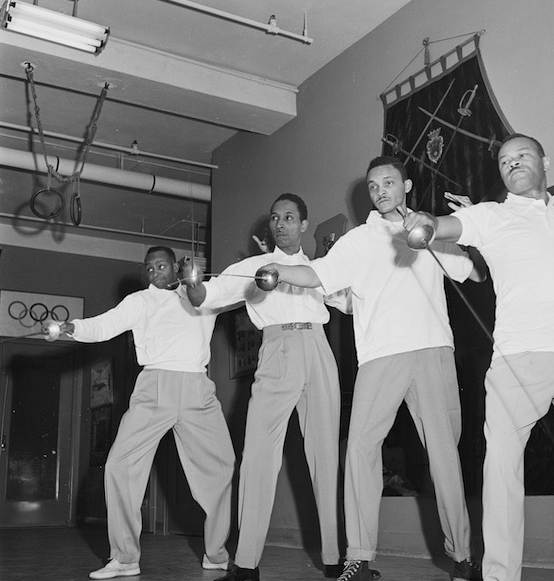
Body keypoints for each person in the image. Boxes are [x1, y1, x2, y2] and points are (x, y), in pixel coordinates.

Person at [403, 134, 554, 581]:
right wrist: (425, 220)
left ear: (544, 162)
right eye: (504, 161)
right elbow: (449, 226)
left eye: (522, 155)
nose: (513, 163)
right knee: (502, 473)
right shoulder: (491, 215)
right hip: (517, 360)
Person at [257, 157, 486, 581]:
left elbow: (473, 273)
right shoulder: (357, 241)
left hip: (433, 350)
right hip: (380, 357)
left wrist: (469, 227)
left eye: (388, 182)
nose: (380, 190)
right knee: (361, 449)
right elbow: (317, 272)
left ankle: (462, 557)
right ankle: (358, 558)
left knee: (444, 457)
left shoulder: (429, 230)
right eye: (373, 185)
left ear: (406, 185)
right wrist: (277, 269)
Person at [184, 193, 377, 581]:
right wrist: (193, 285)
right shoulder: (253, 266)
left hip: (318, 350)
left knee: (325, 456)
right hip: (275, 351)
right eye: (275, 218)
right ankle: (246, 562)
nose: (281, 223)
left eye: (290, 217)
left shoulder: (321, 268)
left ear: (304, 225)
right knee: (257, 454)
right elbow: (210, 294)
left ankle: (333, 557)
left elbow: (353, 303)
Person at [54, 246, 235, 580]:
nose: (154, 272)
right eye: (149, 268)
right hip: (154, 386)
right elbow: (104, 325)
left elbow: (241, 291)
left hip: (197, 387)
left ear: (175, 266)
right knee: (120, 465)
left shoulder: (201, 295)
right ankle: (124, 557)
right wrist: (73, 327)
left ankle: (216, 553)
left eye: (161, 265)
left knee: (222, 465)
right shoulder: (140, 301)